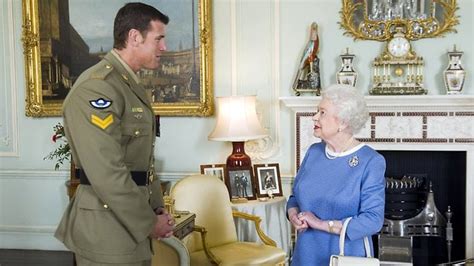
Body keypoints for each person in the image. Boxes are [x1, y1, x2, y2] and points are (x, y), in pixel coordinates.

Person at [55, 3, 174, 265]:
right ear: (134, 37)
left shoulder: (127, 84)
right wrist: (147, 222)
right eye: (159, 39)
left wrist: (155, 207)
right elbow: (106, 172)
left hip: (130, 229)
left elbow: (143, 163)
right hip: (107, 234)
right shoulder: (98, 88)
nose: (164, 48)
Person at [286, 84, 386, 265]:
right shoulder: (314, 152)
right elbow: (294, 198)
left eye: (322, 112)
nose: (314, 117)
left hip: (346, 255)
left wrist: (320, 224)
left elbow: (373, 220)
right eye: (317, 111)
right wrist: (294, 216)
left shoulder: (371, 161)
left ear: (343, 122)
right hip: (306, 253)